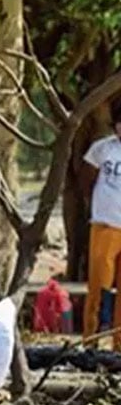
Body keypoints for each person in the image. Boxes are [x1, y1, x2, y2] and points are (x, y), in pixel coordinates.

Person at [81, 101, 121, 347]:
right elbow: (85, 178)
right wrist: (97, 204)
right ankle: (90, 341)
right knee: (99, 287)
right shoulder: (102, 149)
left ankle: (119, 346)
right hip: (105, 226)